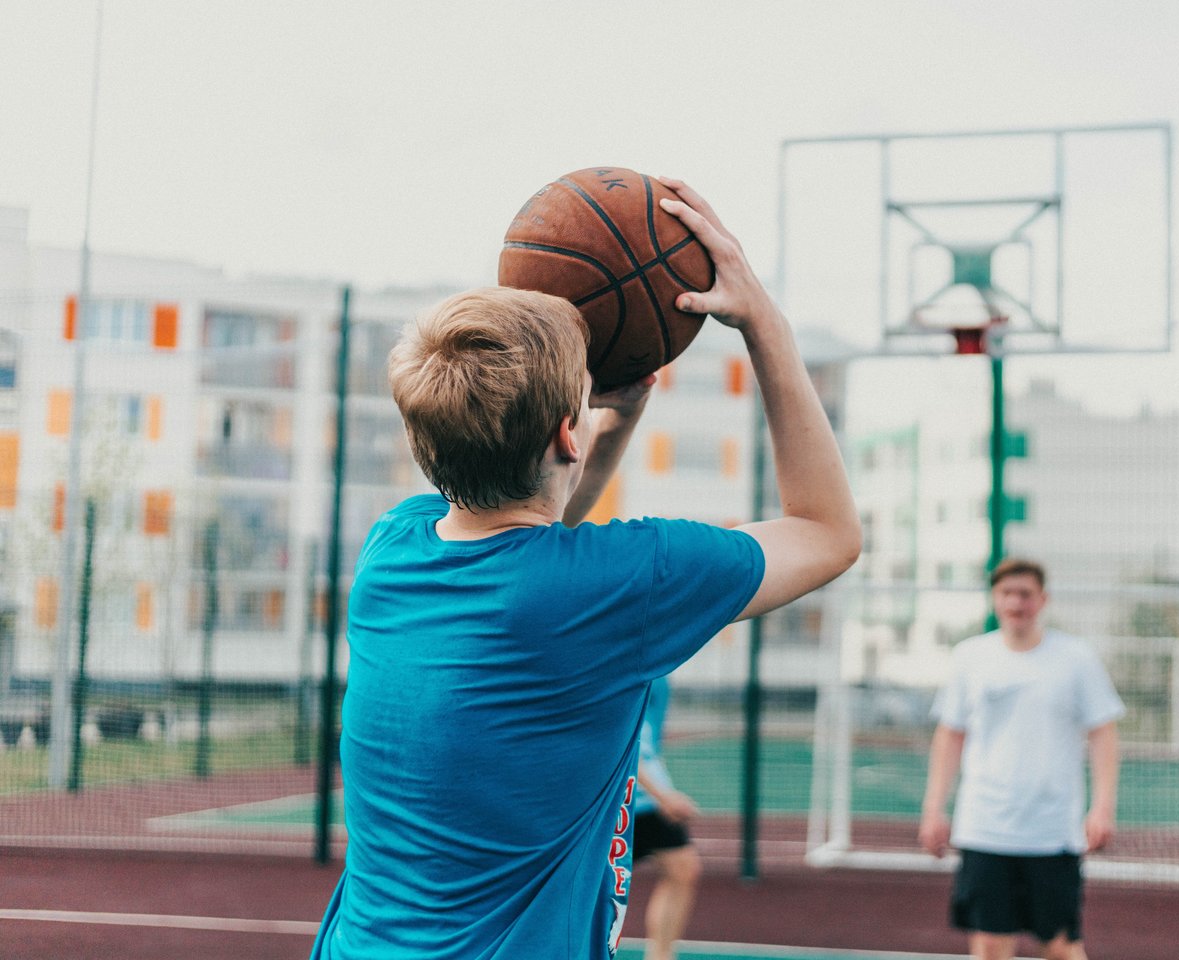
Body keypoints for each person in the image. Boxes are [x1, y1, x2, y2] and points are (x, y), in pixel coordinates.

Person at [310, 179, 861, 960]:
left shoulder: (394, 548)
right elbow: (827, 531)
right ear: (566, 434)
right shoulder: (620, 582)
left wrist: (609, 425)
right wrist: (763, 322)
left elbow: (528, 540)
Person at [918, 558, 1123, 960]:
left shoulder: (1075, 657)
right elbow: (950, 736)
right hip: (985, 827)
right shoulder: (970, 657)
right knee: (990, 945)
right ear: (995, 599)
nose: (1016, 602)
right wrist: (934, 808)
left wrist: (1102, 807)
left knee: (1061, 946)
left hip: (1052, 831)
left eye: (1025, 594)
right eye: (1007, 593)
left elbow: (1104, 734)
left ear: (1042, 600)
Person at [629, 674, 700, 960]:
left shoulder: (660, 679)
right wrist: (665, 797)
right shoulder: (623, 668)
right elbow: (622, 745)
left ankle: (660, 955)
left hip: (646, 801)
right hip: (618, 802)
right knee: (589, 887)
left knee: (682, 868)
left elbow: (647, 743)